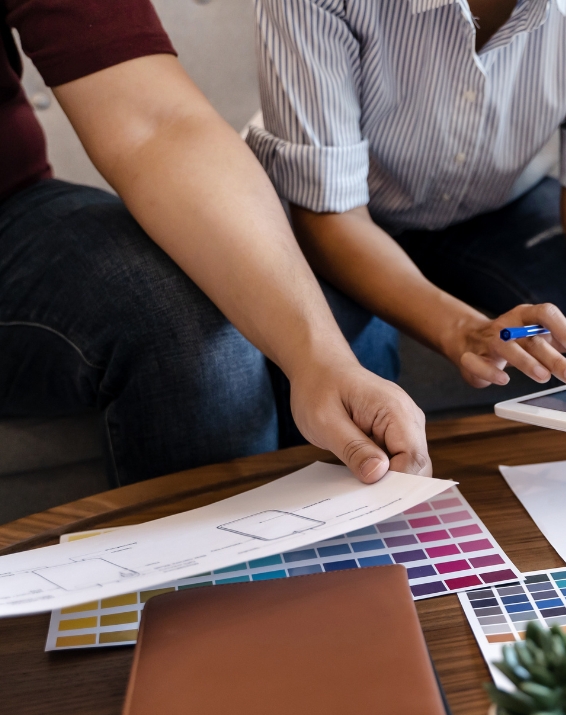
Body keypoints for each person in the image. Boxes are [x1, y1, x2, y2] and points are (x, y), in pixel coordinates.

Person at [247, 0, 566, 400]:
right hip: (327, 215)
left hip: (497, 203)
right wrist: (464, 329)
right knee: (361, 365)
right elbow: (330, 215)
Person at [1, 0, 429, 486]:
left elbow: (157, 124)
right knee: (177, 326)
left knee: (324, 300)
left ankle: (354, 554)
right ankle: (214, 561)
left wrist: (321, 359)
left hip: (15, 205)